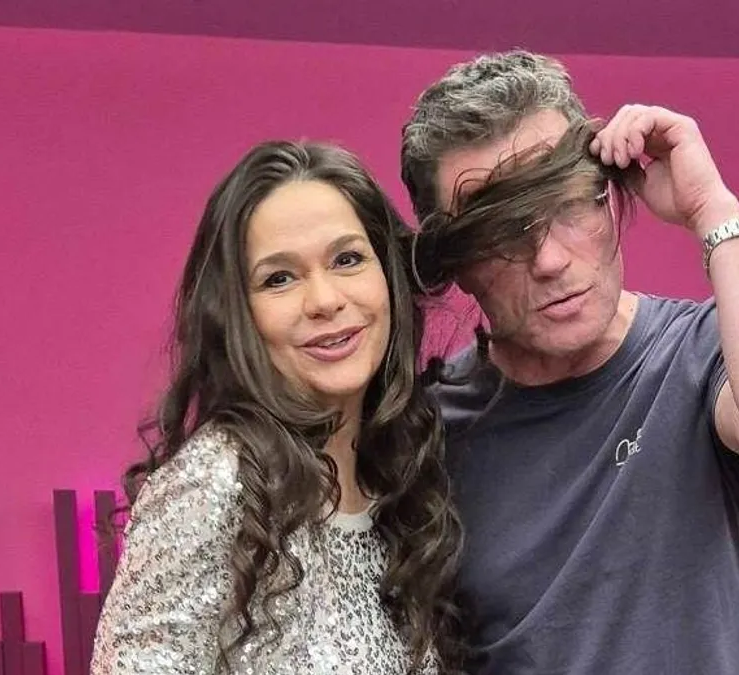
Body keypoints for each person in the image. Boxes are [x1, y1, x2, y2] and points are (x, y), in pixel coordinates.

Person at [401, 51, 739, 673]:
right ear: (456, 263)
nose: (550, 260)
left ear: (606, 196)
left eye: (569, 204)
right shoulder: (428, 428)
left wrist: (713, 210)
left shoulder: (698, 355)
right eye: (497, 234)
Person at [91, 141, 463, 674]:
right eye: (279, 278)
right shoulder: (219, 482)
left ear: (388, 277)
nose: (325, 300)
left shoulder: (401, 484)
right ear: (238, 316)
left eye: (347, 259)